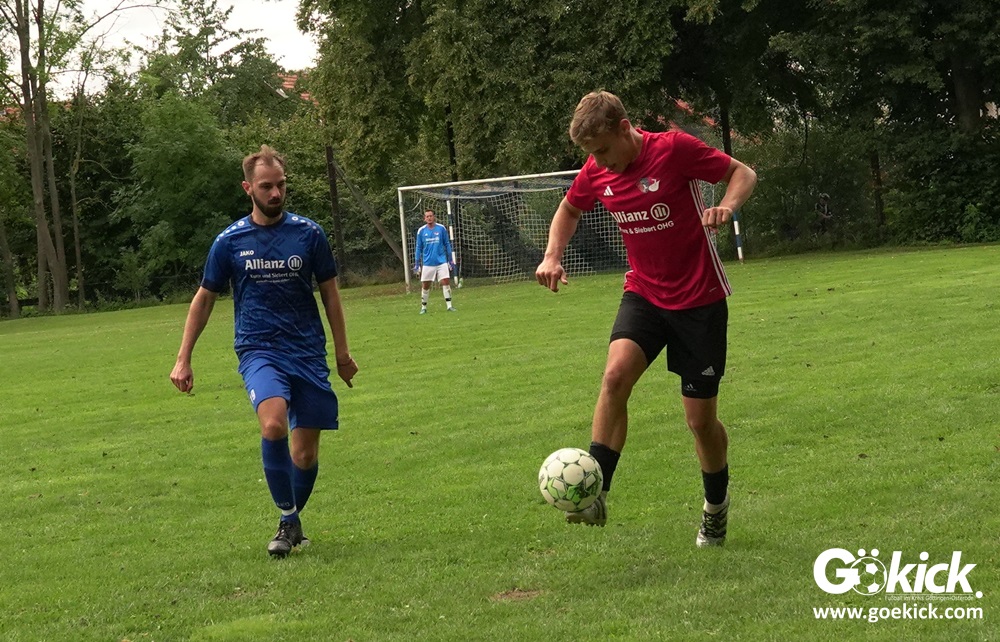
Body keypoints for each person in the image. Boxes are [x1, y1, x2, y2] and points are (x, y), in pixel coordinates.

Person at [535, 91, 757, 547]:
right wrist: (553, 255)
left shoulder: (673, 150)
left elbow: (743, 173)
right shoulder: (597, 171)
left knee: (700, 422)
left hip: (699, 301)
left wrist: (727, 206)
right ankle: (596, 491)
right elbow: (569, 209)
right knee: (615, 377)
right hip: (644, 294)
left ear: (625, 128)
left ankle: (715, 508)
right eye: (592, 155)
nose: (599, 162)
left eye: (603, 150)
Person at [169, 144, 358, 558]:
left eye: (281, 185)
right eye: (266, 187)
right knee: (273, 425)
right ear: (247, 189)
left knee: (305, 454)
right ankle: (288, 520)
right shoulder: (230, 241)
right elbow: (204, 298)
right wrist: (183, 358)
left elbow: (331, 295)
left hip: (307, 351)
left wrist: (342, 354)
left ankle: (291, 523)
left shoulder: (309, 234)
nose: (276, 193)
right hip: (259, 349)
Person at [413, 209, 456, 313]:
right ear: (424, 218)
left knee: (445, 281)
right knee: (426, 285)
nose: (429, 218)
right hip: (428, 263)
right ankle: (423, 307)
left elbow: (447, 244)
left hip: (441, 261)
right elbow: (418, 247)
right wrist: (417, 263)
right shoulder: (421, 231)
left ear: (434, 217)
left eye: (431, 216)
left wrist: (450, 260)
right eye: (427, 216)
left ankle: (449, 306)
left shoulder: (441, 228)